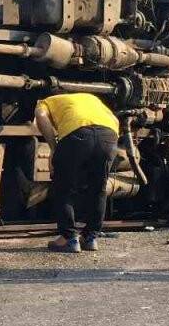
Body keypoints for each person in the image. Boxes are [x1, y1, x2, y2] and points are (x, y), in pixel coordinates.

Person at [34, 93, 120, 253]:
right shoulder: (92, 99)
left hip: (77, 134)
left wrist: (53, 147)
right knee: (98, 188)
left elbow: (40, 116)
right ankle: (91, 237)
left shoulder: (45, 102)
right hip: (108, 135)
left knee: (64, 187)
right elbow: (115, 121)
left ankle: (69, 238)